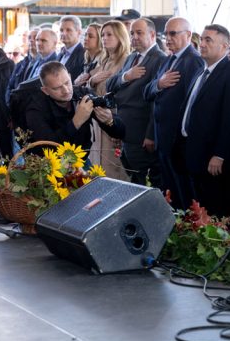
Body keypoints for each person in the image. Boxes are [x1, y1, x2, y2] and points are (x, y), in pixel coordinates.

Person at [173, 24, 230, 217]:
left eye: (209, 40)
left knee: (215, 210)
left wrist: (220, 154)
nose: (202, 44)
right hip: (191, 152)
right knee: (196, 209)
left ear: (224, 46)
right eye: (202, 39)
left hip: (213, 159)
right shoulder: (201, 70)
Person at [144, 17, 203, 209]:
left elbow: (192, 105)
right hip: (163, 139)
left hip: (179, 142)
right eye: (166, 34)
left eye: (173, 33)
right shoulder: (169, 59)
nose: (168, 38)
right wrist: (159, 84)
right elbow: (148, 92)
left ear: (188, 35)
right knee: (169, 194)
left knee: (184, 197)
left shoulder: (194, 61)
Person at [106, 18, 166, 188]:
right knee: (132, 180)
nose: (134, 37)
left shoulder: (159, 59)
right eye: (132, 33)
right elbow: (111, 85)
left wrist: (150, 134)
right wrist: (127, 76)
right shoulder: (132, 57)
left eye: (139, 33)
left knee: (142, 184)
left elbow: (157, 100)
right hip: (126, 130)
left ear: (152, 34)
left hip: (142, 133)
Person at [25, 62, 125, 152]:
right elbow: (48, 147)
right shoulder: (35, 109)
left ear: (70, 76)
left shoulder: (81, 93)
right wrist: (76, 121)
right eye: (57, 88)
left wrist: (110, 121)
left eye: (67, 83)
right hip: (51, 164)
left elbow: (120, 132)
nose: (66, 90)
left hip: (81, 160)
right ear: (45, 90)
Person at [85, 21, 131, 180]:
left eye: (109, 34)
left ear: (120, 36)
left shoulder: (126, 60)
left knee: (114, 169)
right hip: (98, 121)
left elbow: (125, 95)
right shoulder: (103, 60)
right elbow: (88, 87)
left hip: (114, 120)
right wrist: (92, 81)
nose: (104, 38)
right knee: (98, 167)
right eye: (103, 35)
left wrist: (117, 126)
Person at [0, 41, 15, 158]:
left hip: (3, 116)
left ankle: (9, 175)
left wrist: (12, 116)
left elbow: (13, 90)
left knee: (7, 154)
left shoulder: (9, 64)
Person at [57, 15, 86, 82]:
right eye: (61, 30)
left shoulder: (84, 55)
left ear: (79, 32)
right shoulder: (60, 54)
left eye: (68, 30)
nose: (63, 33)